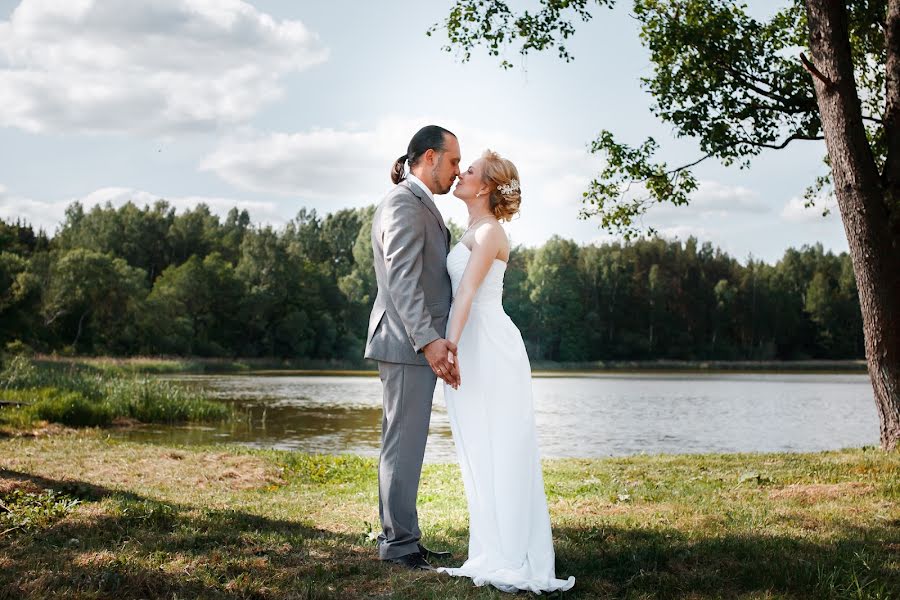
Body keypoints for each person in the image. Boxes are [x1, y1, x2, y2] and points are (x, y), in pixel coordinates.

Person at [436, 149, 576, 593]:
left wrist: (449, 349)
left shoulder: (491, 231)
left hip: (489, 347)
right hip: (470, 344)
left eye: (470, 170)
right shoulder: (471, 229)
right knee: (477, 445)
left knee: (503, 446)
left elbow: (468, 294)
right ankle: (490, 548)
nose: (460, 173)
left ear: (487, 187)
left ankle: (514, 552)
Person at [364, 125, 462, 570]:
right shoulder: (404, 202)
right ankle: (400, 546)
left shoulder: (418, 202)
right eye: (454, 161)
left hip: (411, 343)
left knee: (403, 443)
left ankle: (403, 538)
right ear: (429, 157)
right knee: (403, 444)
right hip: (407, 343)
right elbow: (401, 278)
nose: (457, 171)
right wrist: (428, 342)